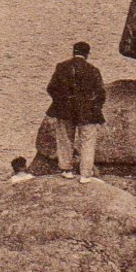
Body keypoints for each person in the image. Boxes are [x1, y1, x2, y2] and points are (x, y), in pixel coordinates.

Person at [46, 41, 106, 182]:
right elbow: (101, 94)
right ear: (87, 54)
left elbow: (51, 88)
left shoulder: (61, 67)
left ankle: (66, 169)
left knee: (65, 139)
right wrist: (94, 106)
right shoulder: (93, 70)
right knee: (87, 142)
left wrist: (61, 102)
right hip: (87, 112)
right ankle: (85, 174)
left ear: (73, 51)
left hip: (65, 110)